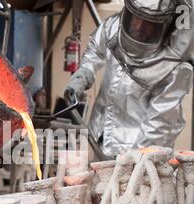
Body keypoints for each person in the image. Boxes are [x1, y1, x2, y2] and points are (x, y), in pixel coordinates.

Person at [64, 0, 193, 159]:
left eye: (147, 23)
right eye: (134, 18)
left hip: (135, 152)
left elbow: (159, 126)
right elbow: (95, 52)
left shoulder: (173, 67)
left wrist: (133, 161)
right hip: (99, 137)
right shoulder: (115, 26)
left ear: (165, 25)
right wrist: (83, 75)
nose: (138, 27)